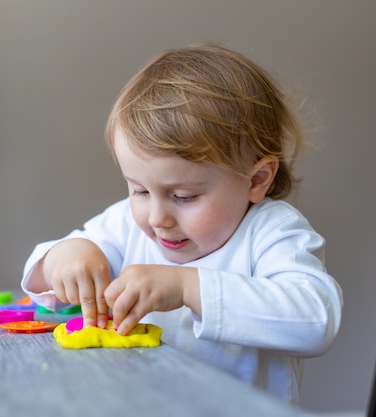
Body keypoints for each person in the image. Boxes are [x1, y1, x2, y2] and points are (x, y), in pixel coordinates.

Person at [21, 43, 343, 406]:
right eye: (140, 190)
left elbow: (315, 320)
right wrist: (67, 256)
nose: (157, 218)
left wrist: (187, 286)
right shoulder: (125, 225)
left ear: (256, 179)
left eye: (184, 196)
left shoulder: (272, 232)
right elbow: (40, 279)